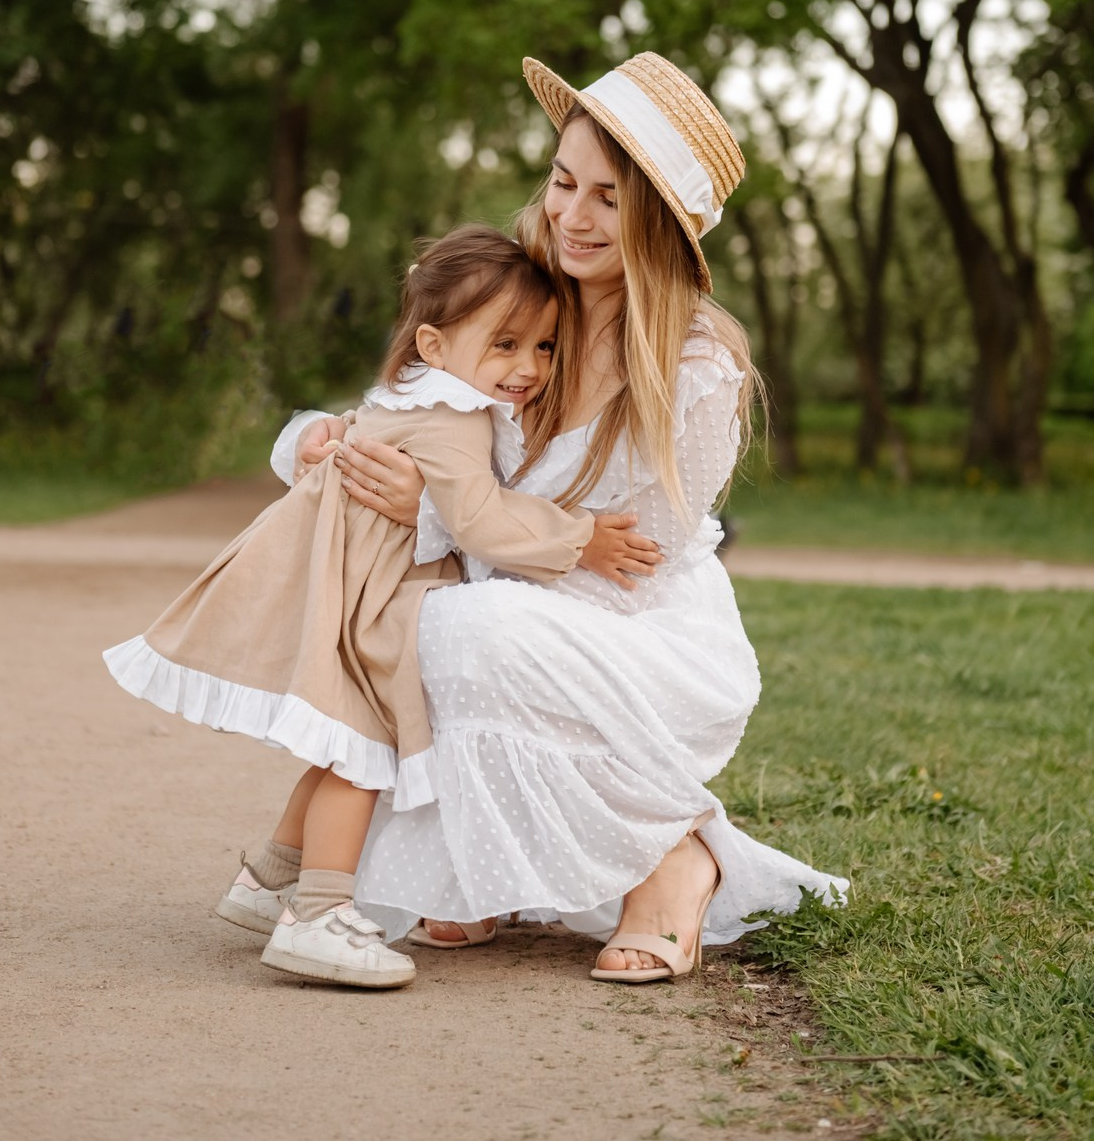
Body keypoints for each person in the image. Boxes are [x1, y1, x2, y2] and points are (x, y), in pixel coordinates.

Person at [232, 53, 848, 983]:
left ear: (661, 221)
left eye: (609, 197)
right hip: (504, 596)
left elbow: (631, 558)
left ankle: (677, 855)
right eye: (563, 181)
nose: (572, 215)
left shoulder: (696, 365)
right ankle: (485, 870)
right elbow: (407, 407)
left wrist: (434, 520)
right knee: (430, 624)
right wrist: (317, 446)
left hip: (634, 629)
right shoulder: (521, 295)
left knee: (456, 624)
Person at [104, 224, 654, 989]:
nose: (527, 368)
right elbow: (482, 520)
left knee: (342, 739)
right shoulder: (453, 415)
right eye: (505, 345)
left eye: (545, 348)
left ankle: (270, 884)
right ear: (433, 344)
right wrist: (582, 536)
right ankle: (320, 918)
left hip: (357, 584)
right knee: (363, 749)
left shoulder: (415, 397)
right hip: (374, 597)